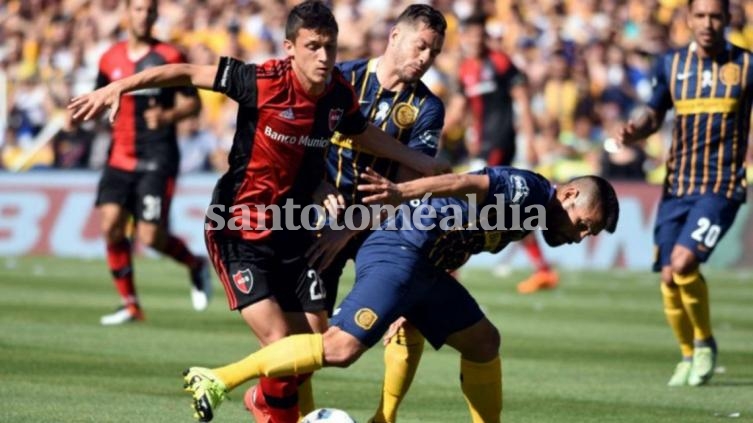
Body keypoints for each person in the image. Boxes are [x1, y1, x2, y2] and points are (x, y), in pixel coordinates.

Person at [69, 0, 448, 421]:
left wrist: (426, 166)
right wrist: (119, 86)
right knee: (281, 344)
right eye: (314, 47)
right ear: (290, 47)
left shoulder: (339, 94)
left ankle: (262, 401)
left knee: (316, 346)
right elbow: (189, 73)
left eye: (331, 47)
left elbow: (364, 135)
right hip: (238, 229)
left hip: (293, 229)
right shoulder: (263, 80)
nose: (324, 58)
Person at [182, 165, 620, 423]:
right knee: (340, 348)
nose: (580, 236)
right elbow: (466, 182)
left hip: (426, 265)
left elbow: (463, 230)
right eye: (584, 223)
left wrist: (418, 301)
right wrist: (400, 192)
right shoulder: (531, 193)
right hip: (401, 246)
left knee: (483, 342)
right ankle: (219, 378)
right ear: (571, 193)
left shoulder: (530, 216)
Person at [292, 5, 446, 423]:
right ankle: (299, 416)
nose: (426, 58)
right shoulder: (342, 79)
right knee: (308, 332)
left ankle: (386, 417)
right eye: (421, 46)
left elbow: (410, 186)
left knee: (408, 315)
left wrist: (349, 229)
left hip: (379, 225)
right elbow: (303, 144)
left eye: (434, 52)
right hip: (320, 217)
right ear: (395, 37)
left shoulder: (427, 109)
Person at [615, 0, 750, 387]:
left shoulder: (746, 65)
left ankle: (705, 342)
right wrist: (634, 130)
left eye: (716, 16)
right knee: (669, 277)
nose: (708, 23)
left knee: (684, 260)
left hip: (721, 187)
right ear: (688, 19)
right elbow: (653, 114)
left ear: (726, 20)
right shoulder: (670, 65)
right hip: (677, 186)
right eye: (701, 16)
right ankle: (688, 354)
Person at [92, 0, 210, 325]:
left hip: (157, 158)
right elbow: (99, 98)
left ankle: (196, 264)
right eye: (138, 9)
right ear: (127, 14)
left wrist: (168, 115)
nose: (144, 16)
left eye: (149, 11)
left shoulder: (170, 57)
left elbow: (193, 105)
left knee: (149, 238)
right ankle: (130, 305)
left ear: (156, 16)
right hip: (119, 156)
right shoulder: (109, 58)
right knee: (110, 226)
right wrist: (82, 116)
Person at [446, 14, 559, 295]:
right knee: (508, 210)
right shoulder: (465, 69)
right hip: (482, 144)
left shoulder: (500, 63)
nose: (474, 40)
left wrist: (530, 139)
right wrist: (436, 133)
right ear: (463, 38)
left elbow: (522, 99)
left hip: (499, 143)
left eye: (478, 35)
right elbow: (460, 108)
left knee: (470, 203)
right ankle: (543, 269)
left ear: (485, 37)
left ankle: (450, 270)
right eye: (469, 35)